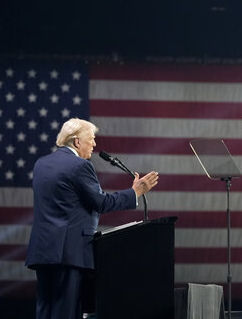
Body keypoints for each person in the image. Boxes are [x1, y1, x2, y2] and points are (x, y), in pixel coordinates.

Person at [25, 118, 159, 319]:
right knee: (65, 313)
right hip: (69, 253)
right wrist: (135, 192)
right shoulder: (79, 166)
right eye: (92, 139)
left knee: (45, 311)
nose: (95, 144)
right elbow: (101, 202)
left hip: (43, 251)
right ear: (77, 142)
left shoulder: (41, 164)